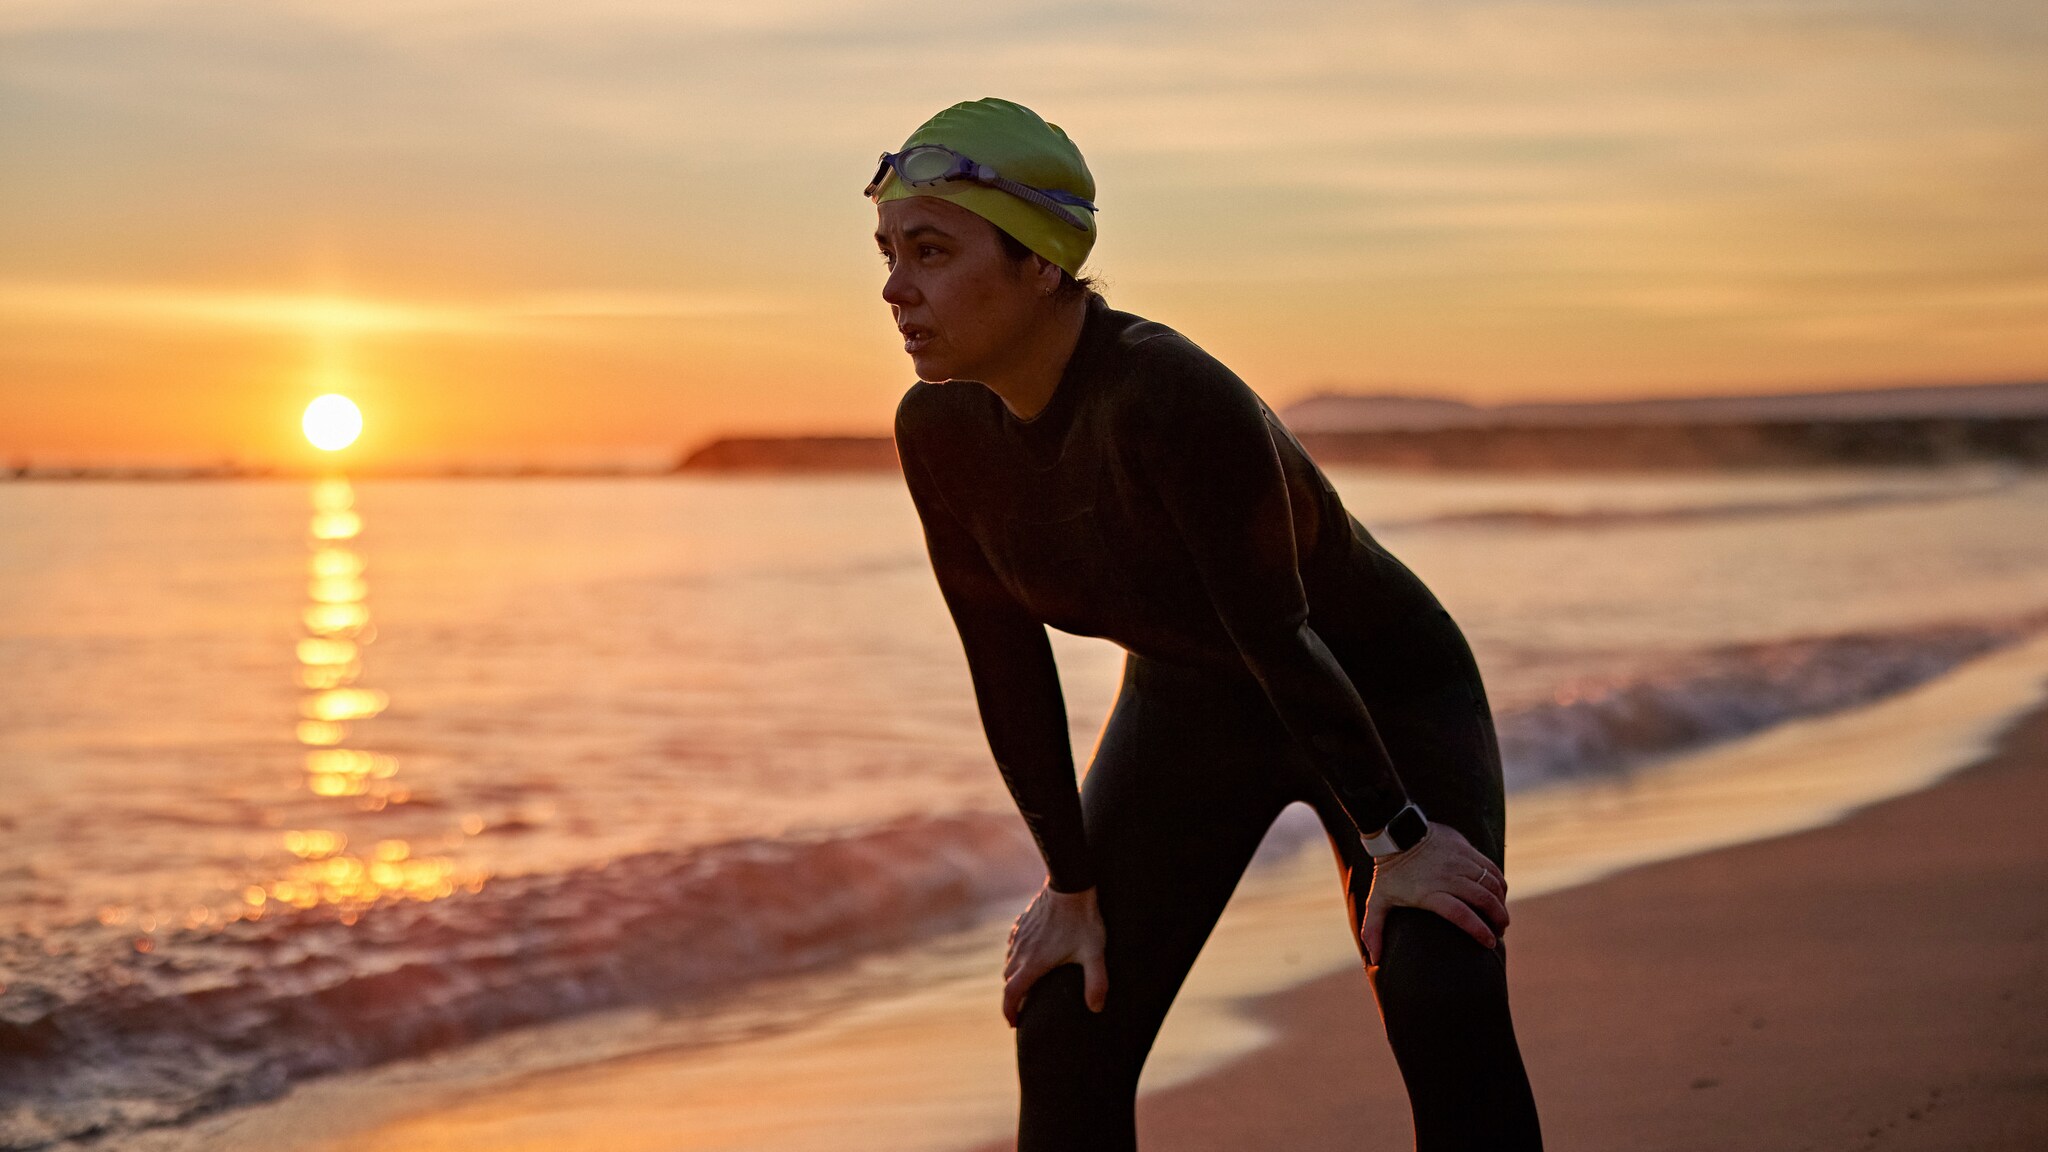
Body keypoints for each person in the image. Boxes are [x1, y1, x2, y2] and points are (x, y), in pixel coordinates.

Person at [871, 97, 1544, 1151]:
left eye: (929, 251)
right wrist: (1070, 884)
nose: (894, 288)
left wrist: (1398, 840)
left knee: (1435, 991)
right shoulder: (940, 429)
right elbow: (1002, 662)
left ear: (1039, 263)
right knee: (1064, 1021)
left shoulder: (1169, 395)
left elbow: (1280, 635)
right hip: (1192, 705)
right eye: (887, 253)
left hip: (1374, 689)